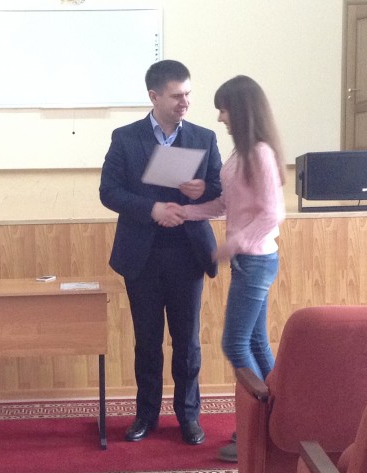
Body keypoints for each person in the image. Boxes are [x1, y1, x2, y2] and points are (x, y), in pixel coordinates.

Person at [99, 60, 222, 445]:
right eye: (176, 96)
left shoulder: (204, 137)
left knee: (187, 342)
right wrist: (152, 209)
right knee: (147, 341)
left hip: (188, 253)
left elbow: (219, 190)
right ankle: (146, 415)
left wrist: (202, 190)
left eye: (188, 94)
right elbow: (109, 192)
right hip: (143, 254)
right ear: (153, 96)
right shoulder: (125, 138)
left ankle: (188, 416)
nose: (185, 102)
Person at [177, 75, 286, 461]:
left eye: (223, 109)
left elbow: (273, 214)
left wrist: (232, 245)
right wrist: (186, 211)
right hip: (248, 260)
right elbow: (226, 205)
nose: (220, 117)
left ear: (241, 110)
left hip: (256, 260)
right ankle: (279, 421)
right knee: (255, 343)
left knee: (234, 343)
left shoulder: (260, 154)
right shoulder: (241, 153)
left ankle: (257, 429)